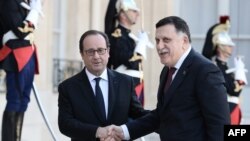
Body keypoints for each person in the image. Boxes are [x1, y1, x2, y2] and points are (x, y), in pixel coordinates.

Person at [107, 16, 230, 141]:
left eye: (166, 40)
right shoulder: (167, 70)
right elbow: (161, 115)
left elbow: (220, 126)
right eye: (157, 40)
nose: (159, 46)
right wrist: (124, 131)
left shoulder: (205, 70)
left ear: (184, 41)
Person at [57, 30, 149, 141]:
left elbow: (138, 114)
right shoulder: (68, 87)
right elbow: (65, 124)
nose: (96, 56)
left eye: (100, 50)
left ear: (108, 52)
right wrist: (97, 131)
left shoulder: (126, 82)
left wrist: (163, 118)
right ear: (82, 54)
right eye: (90, 51)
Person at [0, 0, 42, 140]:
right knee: (14, 101)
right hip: (15, 54)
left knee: (24, 101)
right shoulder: (9, 2)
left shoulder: (27, 2)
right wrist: (35, 12)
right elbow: (20, 30)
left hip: (29, 54)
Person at [202, 16, 246, 125]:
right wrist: (240, 75)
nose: (231, 48)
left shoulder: (226, 68)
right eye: (228, 45)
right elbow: (234, 90)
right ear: (219, 47)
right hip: (225, 111)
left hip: (233, 109)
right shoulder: (214, 67)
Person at [105, 0, 145, 106]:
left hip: (136, 84)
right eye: (133, 11)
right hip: (125, 86)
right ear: (123, 14)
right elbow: (131, 62)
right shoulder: (117, 36)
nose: (138, 14)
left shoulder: (130, 37)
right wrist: (141, 46)